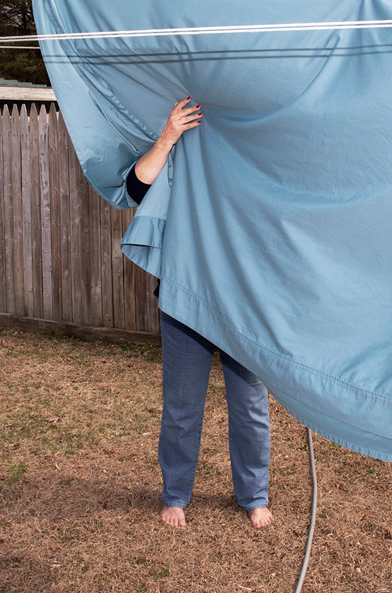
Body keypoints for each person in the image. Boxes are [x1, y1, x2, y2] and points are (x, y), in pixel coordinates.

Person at [125, 96, 274, 530]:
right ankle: (175, 493)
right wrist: (168, 136)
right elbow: (135, 189)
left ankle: (254, 494)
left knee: (250, 407)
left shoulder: (254, 149)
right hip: (184, 298)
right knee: (182, 405)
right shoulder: (185, 144)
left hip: (241, 304)